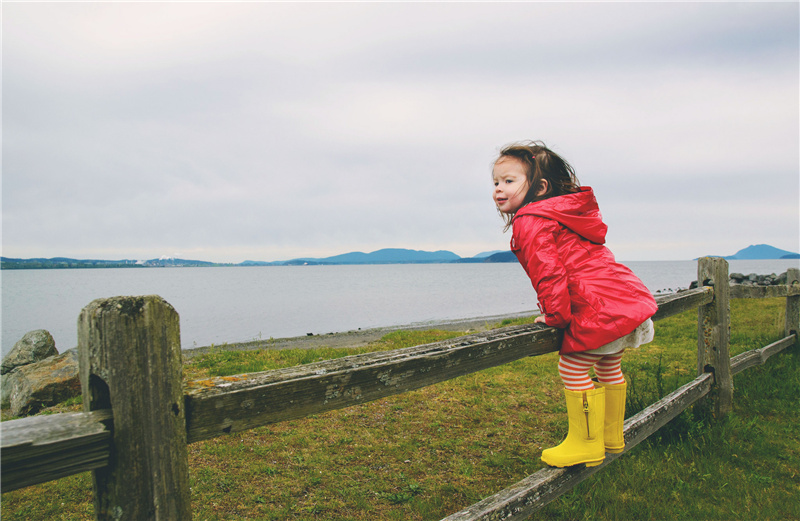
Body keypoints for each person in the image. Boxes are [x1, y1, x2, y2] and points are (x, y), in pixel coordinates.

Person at [492, 140, 657, 468]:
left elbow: (548, 272)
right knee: (609, 365)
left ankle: (586, 443)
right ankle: (611, 436)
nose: (498, 189)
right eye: (495, 182)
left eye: (509, 181)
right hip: (625, 298)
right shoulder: (568, 215)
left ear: (540, 187)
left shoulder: (531, 220)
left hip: (600, 308)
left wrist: (554, 315)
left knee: (572, 367)